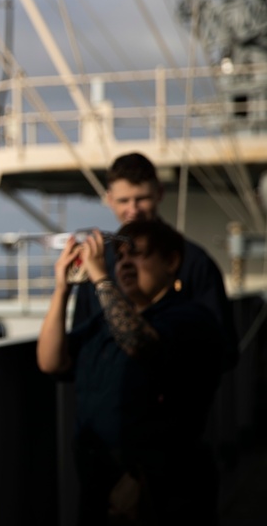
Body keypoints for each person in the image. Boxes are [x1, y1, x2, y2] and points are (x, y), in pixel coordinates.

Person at [38, 220, 223, 526]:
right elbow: (51, 361)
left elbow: (139, 342)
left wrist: (101, 278)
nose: (123, 263)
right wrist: (61, 289)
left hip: (165, 493)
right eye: (119, 255)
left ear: (171, 262)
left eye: (136, 255)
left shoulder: (190, 317)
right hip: (101, 485)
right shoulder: (103, 323)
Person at [72, 152, 238, 371]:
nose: (133, 210)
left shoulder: (194, 261)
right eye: (123, 201)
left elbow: (221, 348)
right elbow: (76, 346)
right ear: (110, 200)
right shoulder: (98, 261)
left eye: (141, 199)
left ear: (159, 193)